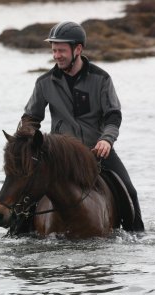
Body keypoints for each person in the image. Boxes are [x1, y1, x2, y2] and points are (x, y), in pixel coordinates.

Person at [17, 21, 145, 232]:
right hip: (58, 155)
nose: (56, 55)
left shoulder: (101, 79)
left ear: (78, 49)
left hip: (97, 151)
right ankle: (17, 236)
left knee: (130, 191)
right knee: (25, 189)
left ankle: (136, 236)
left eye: (61, 50)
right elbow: (31, 117)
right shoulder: (44, 82)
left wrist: (107, 139)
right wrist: (26, 140)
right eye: (54, 50)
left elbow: (113, 115)